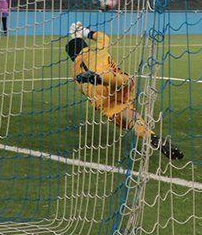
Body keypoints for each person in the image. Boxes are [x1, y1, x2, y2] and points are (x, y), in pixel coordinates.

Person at [66, 22, 184, 160]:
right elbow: (104, 38)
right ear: (85, 46)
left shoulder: (73, 71)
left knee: (131, 120)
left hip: (103, 100)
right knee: (126, 81)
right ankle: (99, 77)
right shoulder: (96, 50)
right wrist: (87, 32)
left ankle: (150, 136)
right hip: (116, 82)